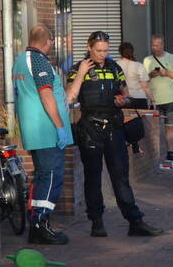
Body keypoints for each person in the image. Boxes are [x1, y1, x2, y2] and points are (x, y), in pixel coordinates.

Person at [66, 31, 164, 238]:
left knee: (120, 175)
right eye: (98, 50)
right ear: (89, 47)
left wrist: (123, 101)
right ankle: (97, 222)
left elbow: (126, 95)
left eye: (106, 50)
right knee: (92, 176)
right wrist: (82, 73)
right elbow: (69, 97)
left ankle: (135, 221)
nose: (102, 54)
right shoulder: (77, 69)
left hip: (114, 126)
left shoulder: (114, 68)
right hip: (90, 127)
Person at [12, 24, 72, 245]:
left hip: (35, 130)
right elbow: (46, 94)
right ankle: (40, 226)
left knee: (42, 176)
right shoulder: (38, 60)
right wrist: (59, 126)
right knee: (52, 177)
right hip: (46, 130)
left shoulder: (20, 60)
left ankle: (37, 223)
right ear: (49, 40)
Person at [144, 34, 173, 163]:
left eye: (157, 45)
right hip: (154, 100)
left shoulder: (172, 58)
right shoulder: (147, 60)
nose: (154, 48)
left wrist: (165, 73)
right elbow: (144, 79)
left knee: (170, 126)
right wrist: (152, 74)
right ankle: (154, 155)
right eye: (152, 45)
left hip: (171, 98)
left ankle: (170, 152)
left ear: (162, 45)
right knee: (154, 129)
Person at [117, 42, 153, 154]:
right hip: (139, 99)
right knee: (138, 124)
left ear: (120, 52)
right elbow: (145, 86)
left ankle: (127, 143)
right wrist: (152, 99)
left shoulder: (115, 65)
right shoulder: (138, 65)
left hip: (124, 100)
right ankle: (138, 146)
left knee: (123, 122)